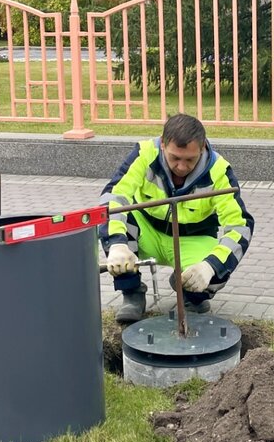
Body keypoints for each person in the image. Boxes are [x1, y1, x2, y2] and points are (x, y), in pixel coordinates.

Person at [100, 113, 255, 324]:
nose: (181, 167)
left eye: (190, 159)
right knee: (114, 228)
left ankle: (191, 294)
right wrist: (117, 244)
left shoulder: (219, 171)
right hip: (147, 232)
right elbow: (113, 196)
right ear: (163, 145)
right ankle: (132, 292)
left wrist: (209, 266)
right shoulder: (145, 154)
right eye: (175, 158)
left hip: (193, 238)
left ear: (202, 149)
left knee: (219, 267)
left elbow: (240, 226)